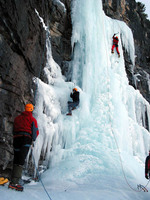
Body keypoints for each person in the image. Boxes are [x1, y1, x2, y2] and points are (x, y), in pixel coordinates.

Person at [8, 103, 39, 191]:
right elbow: (35, 132)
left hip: (16, 139)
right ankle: (15, 182)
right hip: (25, 140)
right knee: (20, 161)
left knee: (16, 159)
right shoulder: (32, 119)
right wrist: (33, 140)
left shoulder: (17, 118)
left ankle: (13, 180)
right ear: (31, 110)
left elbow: (14, 129)